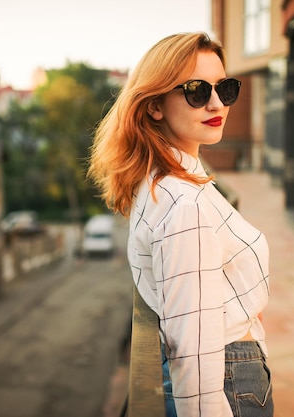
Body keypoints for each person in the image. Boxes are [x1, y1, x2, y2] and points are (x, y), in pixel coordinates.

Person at [87, 32, 273, 417]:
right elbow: (193, 349)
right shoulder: (185, 203)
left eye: (225, 88)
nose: (217, 102)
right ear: (155, 106)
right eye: (196, 91)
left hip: (230, 373)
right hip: (229, 383)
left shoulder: (163, 179)